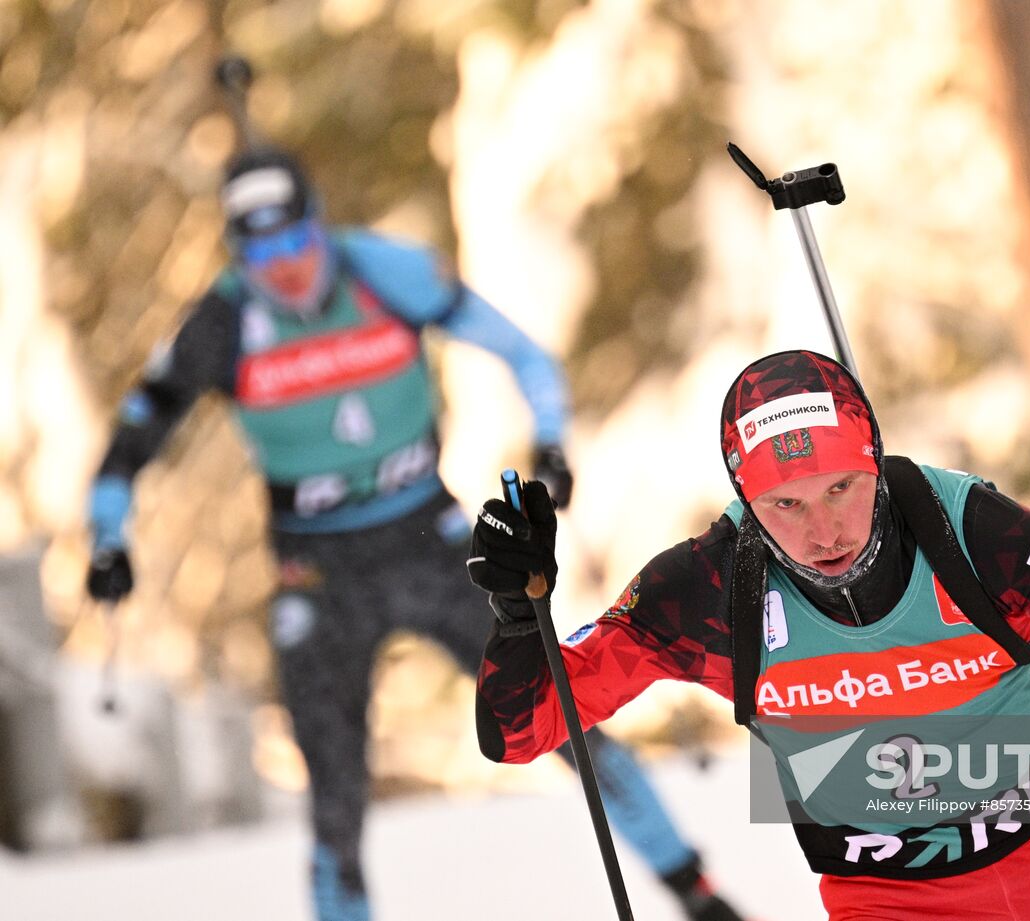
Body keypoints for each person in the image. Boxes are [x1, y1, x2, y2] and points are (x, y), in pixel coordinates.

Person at [82, 146, 748, 921]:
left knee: (566, 713)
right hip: (317, 572)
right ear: (237, 252)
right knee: (334, 791)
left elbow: (523, 352)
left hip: (429, 546)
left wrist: (553, 444)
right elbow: (134, 435)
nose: (285, 267)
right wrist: (108, 537)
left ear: (318, 224)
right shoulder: (224, 319)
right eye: (259, 251)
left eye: (295, 241)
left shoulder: (382, 272)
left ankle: (698, 896)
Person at [466, 348, 1030, 920]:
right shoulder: (709, 588)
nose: (823, 527)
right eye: (784, 504)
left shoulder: (966, 527)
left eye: (841, 487)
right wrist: (516, 621)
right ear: (744, 503)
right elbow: (523, 727)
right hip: (894, 895)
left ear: (873, 460)